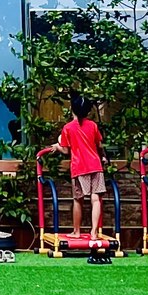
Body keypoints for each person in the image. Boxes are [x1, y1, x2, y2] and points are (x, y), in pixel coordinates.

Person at [57, 95, 106, 237]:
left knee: (78, 199)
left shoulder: (68, 128)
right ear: (88, 111)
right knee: (95, 199)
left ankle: (76, 231)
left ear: (72, 109)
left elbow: (66, 150)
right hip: (96, 166)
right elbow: (99, 145)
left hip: (79, 168)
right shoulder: (93, 125)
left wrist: (57, 147)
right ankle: (94, 231)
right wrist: (103, 157)